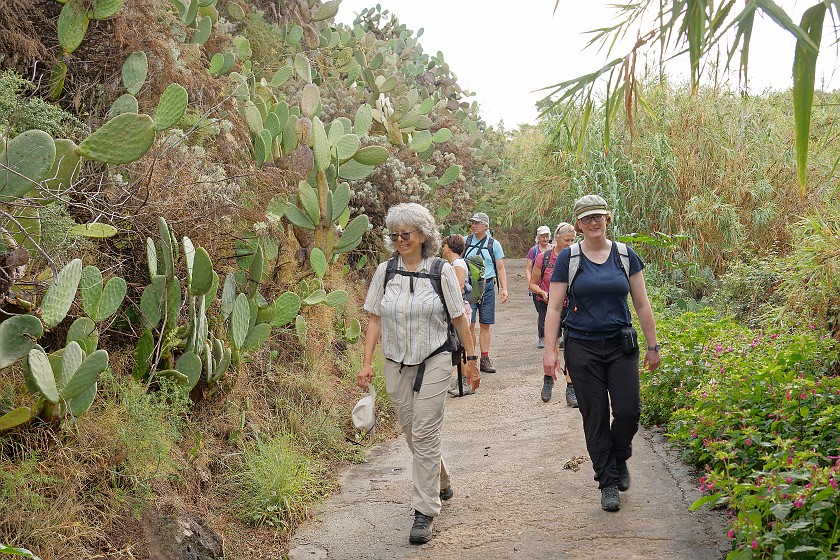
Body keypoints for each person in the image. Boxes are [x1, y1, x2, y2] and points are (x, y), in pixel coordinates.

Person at [358, 203, 480, 545]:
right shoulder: (386, 272)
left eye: (406, 234)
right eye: (395, 235)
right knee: (412, 432)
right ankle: (440, 478)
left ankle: (424, 510)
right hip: (395, 363)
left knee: (425, 431)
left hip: (435, 360)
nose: (400, 240)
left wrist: (471, 359)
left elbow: (459, 319)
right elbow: (375, 318)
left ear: (423, 235)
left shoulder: (441, 271)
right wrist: (367, 363)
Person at [542, 194, 661, 513]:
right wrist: (550, 351)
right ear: (578, 224)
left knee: (628, 411)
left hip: (621, 346)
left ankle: (619, 455)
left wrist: (653, 345)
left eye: (598, 216)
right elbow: (554, 307)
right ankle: (607, 481)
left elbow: (642, 303)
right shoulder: (569, 258)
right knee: (594, 415)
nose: (593, 222)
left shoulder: (625, 255)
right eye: (586, 218)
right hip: (582, 347)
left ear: (607, 219)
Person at [529, 222, 577, 406]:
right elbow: (532, 284)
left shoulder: (576, 256)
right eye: (566, 240)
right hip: (548, 306)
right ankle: (548, 380)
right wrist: (542, 293)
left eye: (573, 240)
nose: (570, 243)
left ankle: (570, 386)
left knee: (572, 347)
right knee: (552, 345)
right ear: (556, 239)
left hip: (570, 306)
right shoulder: (544, 257)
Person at [463, 212, 508, 373]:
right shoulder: (465, 241)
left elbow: (500, 267)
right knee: (469, 324)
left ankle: (485, 358)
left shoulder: (493, 244)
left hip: (488, 285)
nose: (474, 225)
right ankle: (471, 359)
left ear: (486, 226)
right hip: (470, 287)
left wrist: (504, 288)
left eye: (477, 223)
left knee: (485, 324)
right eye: (472, 222)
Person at [441, 234, 476, 397]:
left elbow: (459, 286)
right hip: (460, 308)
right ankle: (462, 380)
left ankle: (465, 381)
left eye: (444, 245)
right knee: (459, 346)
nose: (443, 248)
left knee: (461, 346)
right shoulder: (454, 263)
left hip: (461, 309)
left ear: (450, 247)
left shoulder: (458, 264)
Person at [526, 225, 553, 348]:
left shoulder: (554, 249)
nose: (545, 238)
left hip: (551, 286)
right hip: (537, 286)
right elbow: (528, 268)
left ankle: (556, 336)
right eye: (542, 236)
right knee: (542, 312)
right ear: (538, 237)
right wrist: (530, 284)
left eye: (547, 236)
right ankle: (542, 337)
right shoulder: (534, 251)